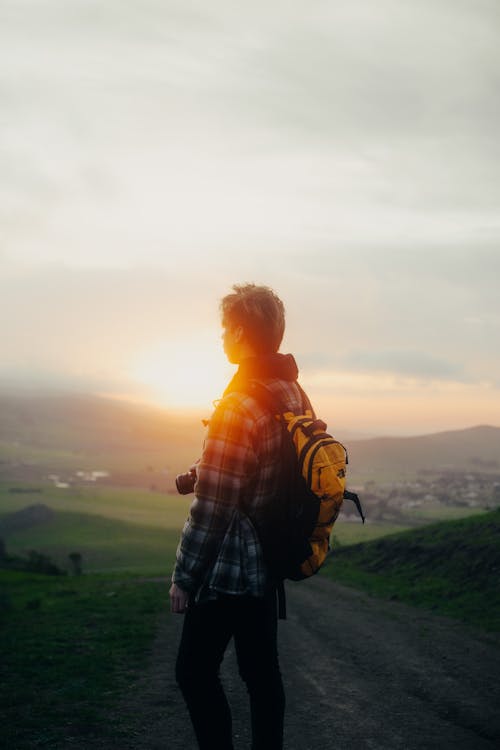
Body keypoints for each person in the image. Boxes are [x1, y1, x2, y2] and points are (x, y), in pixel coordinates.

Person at [170, 283, 306, 750]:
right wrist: (203, 466)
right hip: (271, 554)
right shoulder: (291, 391)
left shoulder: (237, 404)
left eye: (226, 328)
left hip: (231, 566)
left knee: (192, 672)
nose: (222, 337)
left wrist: (185, 577)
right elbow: (270, 462)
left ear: (243, 332)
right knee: (261, 674)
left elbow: (213, 506)